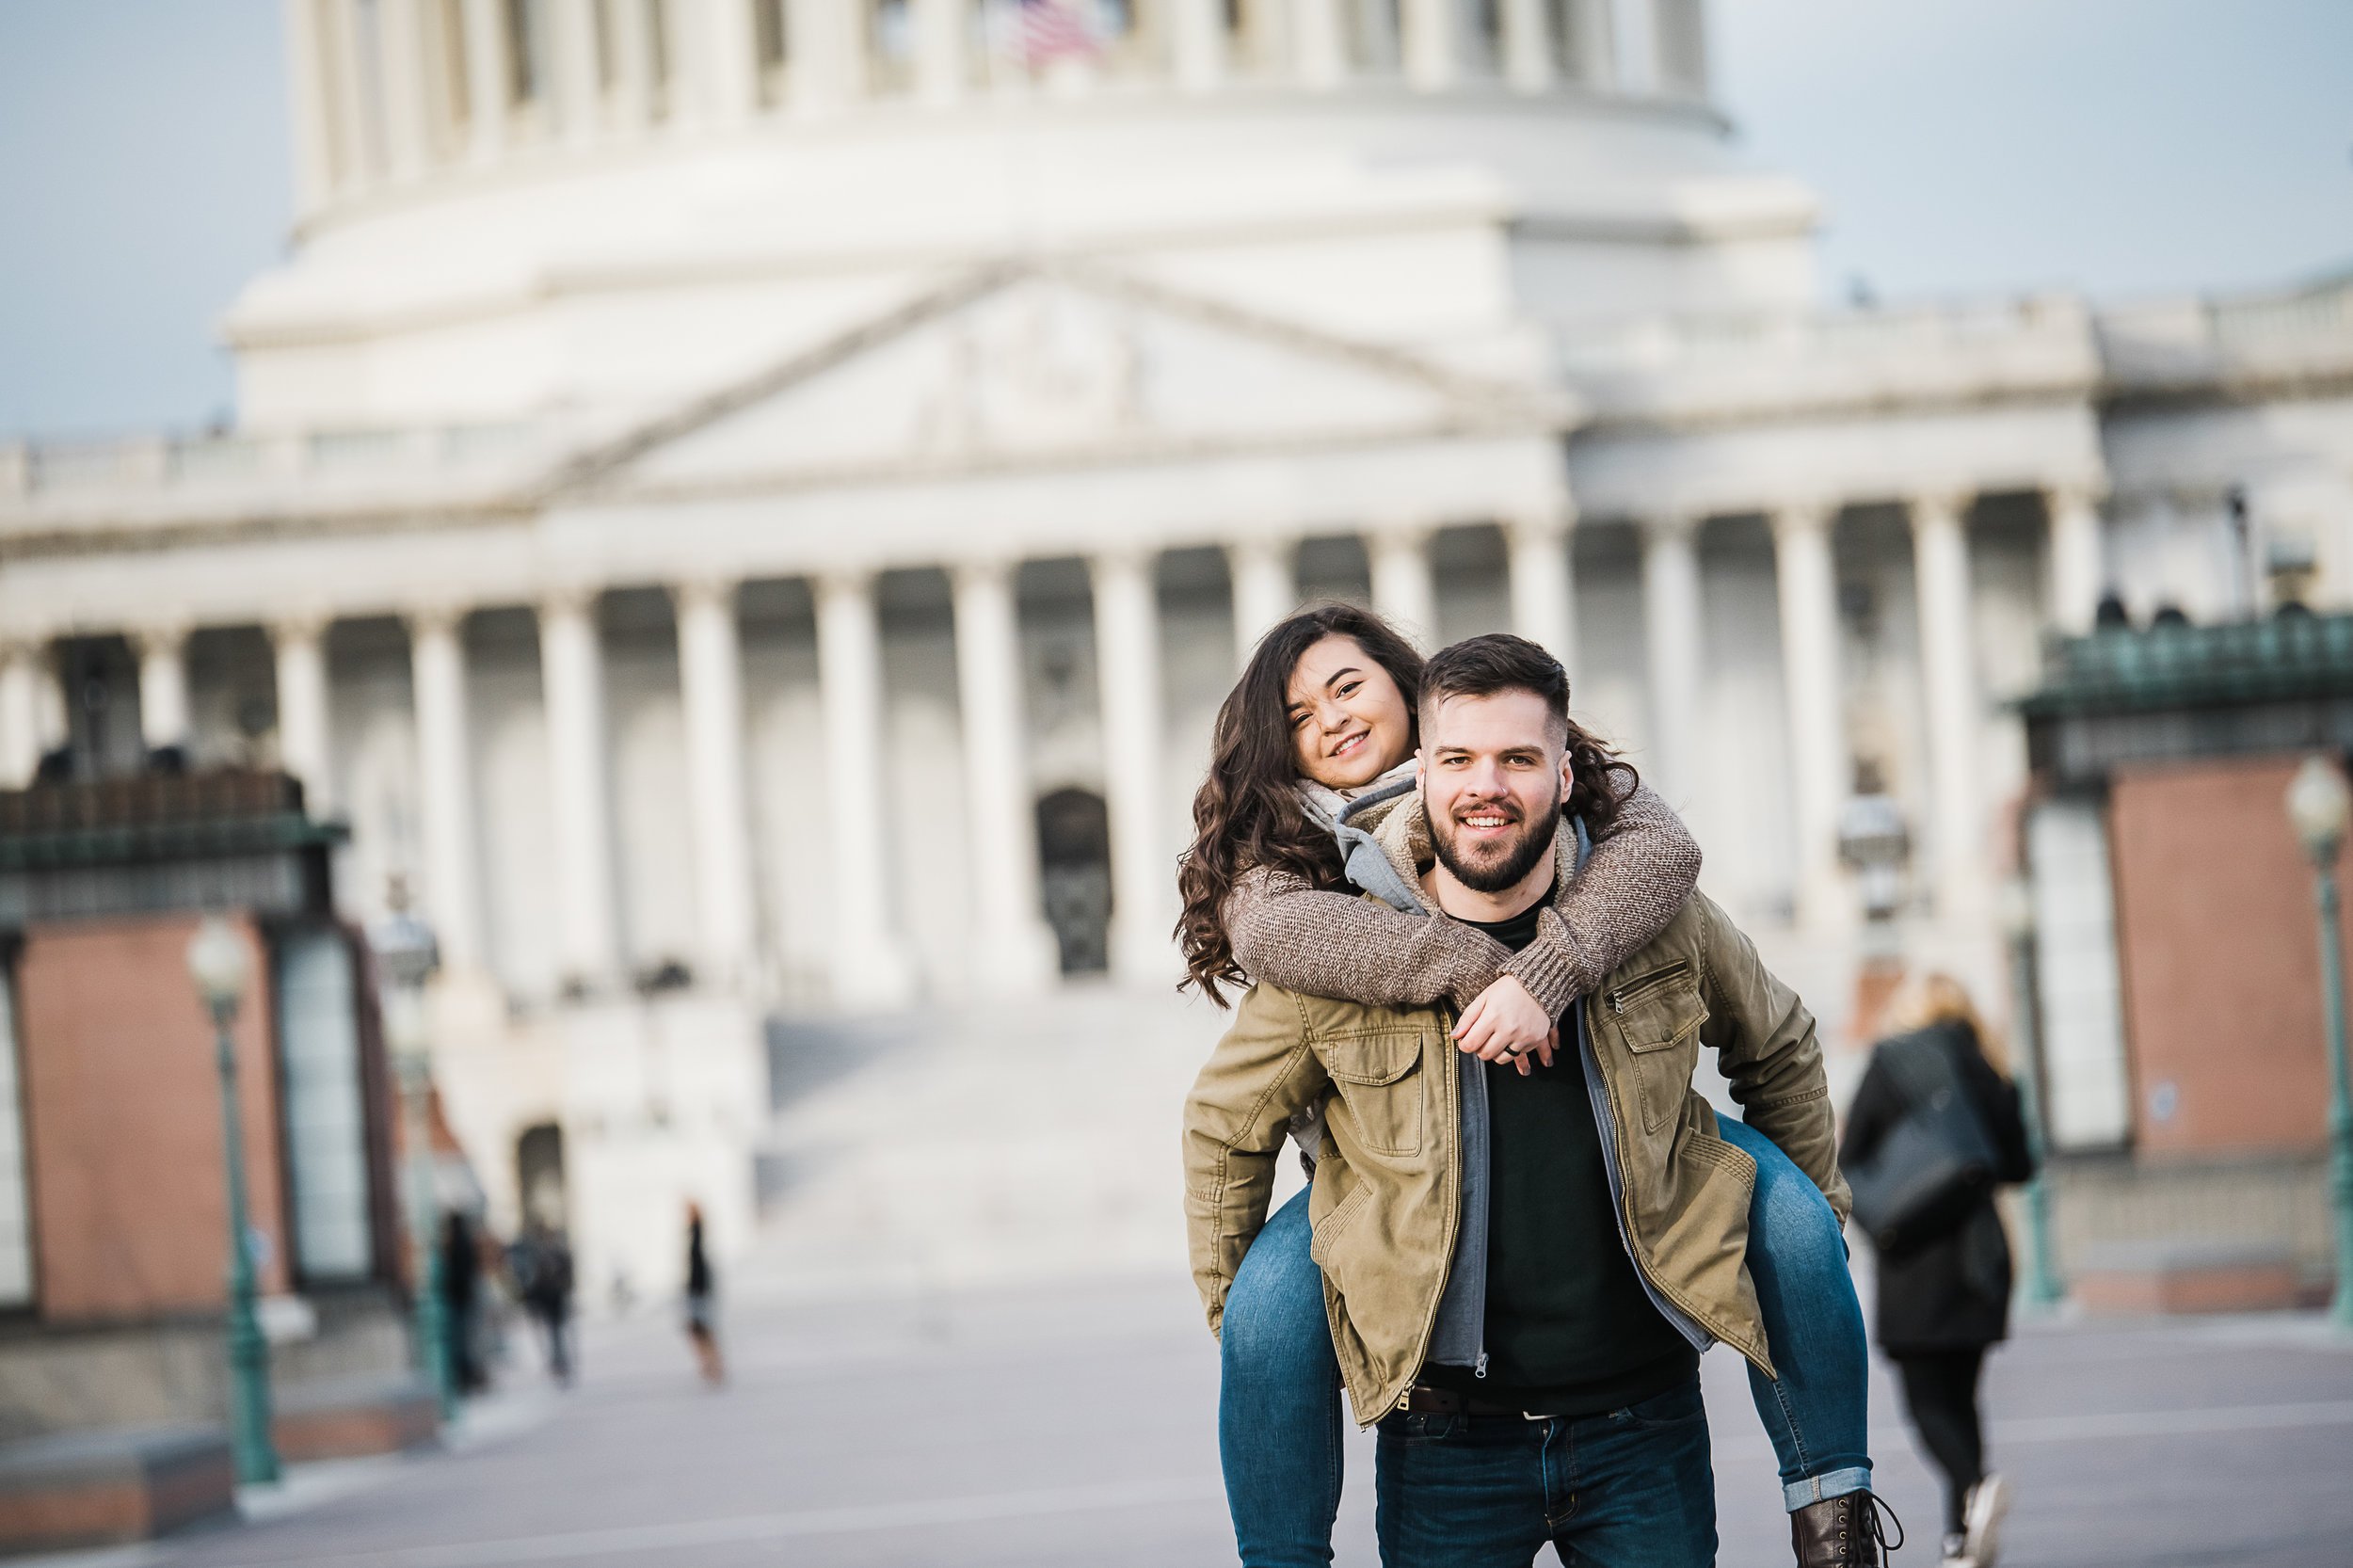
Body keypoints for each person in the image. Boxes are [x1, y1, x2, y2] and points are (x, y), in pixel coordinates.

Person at [1184, 628, 1891, 1567]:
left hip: (1641, 1421)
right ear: (1427, 769)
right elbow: (1231, 1093)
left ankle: (1837, 1524)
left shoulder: (1624, 870)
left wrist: (1551, 966)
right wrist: (1452, 956)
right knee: (1269, 1309)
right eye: (1301, 719)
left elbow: (1682, 879)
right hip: (1445, 1425)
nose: (1334, 720)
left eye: (1514, 759)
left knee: (1799, 1228)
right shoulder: (1312, 897)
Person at [1841, 975, 2035, 1568]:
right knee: (1961, 1399)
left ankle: (1973, 1487)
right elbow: (2022, 1166)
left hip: (1914, 1262)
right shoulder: (1989, 1068)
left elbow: (1851, 1156)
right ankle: (1960, 1543)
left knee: (1927, 1404)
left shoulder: (1891, 1062)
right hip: (1980, 1259)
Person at [513, 1224, 577, 1386]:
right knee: (553, 1331)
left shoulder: (558, 1253)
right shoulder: (540, 1254)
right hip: (547, 1298)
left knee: (557, 1331)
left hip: (556, 1297)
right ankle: (557, 1361)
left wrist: (565, 1287)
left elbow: (567, 1274)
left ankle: (560, 1361)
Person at [683, 1201, 725, 1386]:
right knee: (699, 1330)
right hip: (697, 1289)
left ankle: (712, 1364)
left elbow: (698, 1232)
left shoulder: (696, 1236)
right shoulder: (694, 1236)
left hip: (699, 1290)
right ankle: (710, 1363)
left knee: (700, 1329)